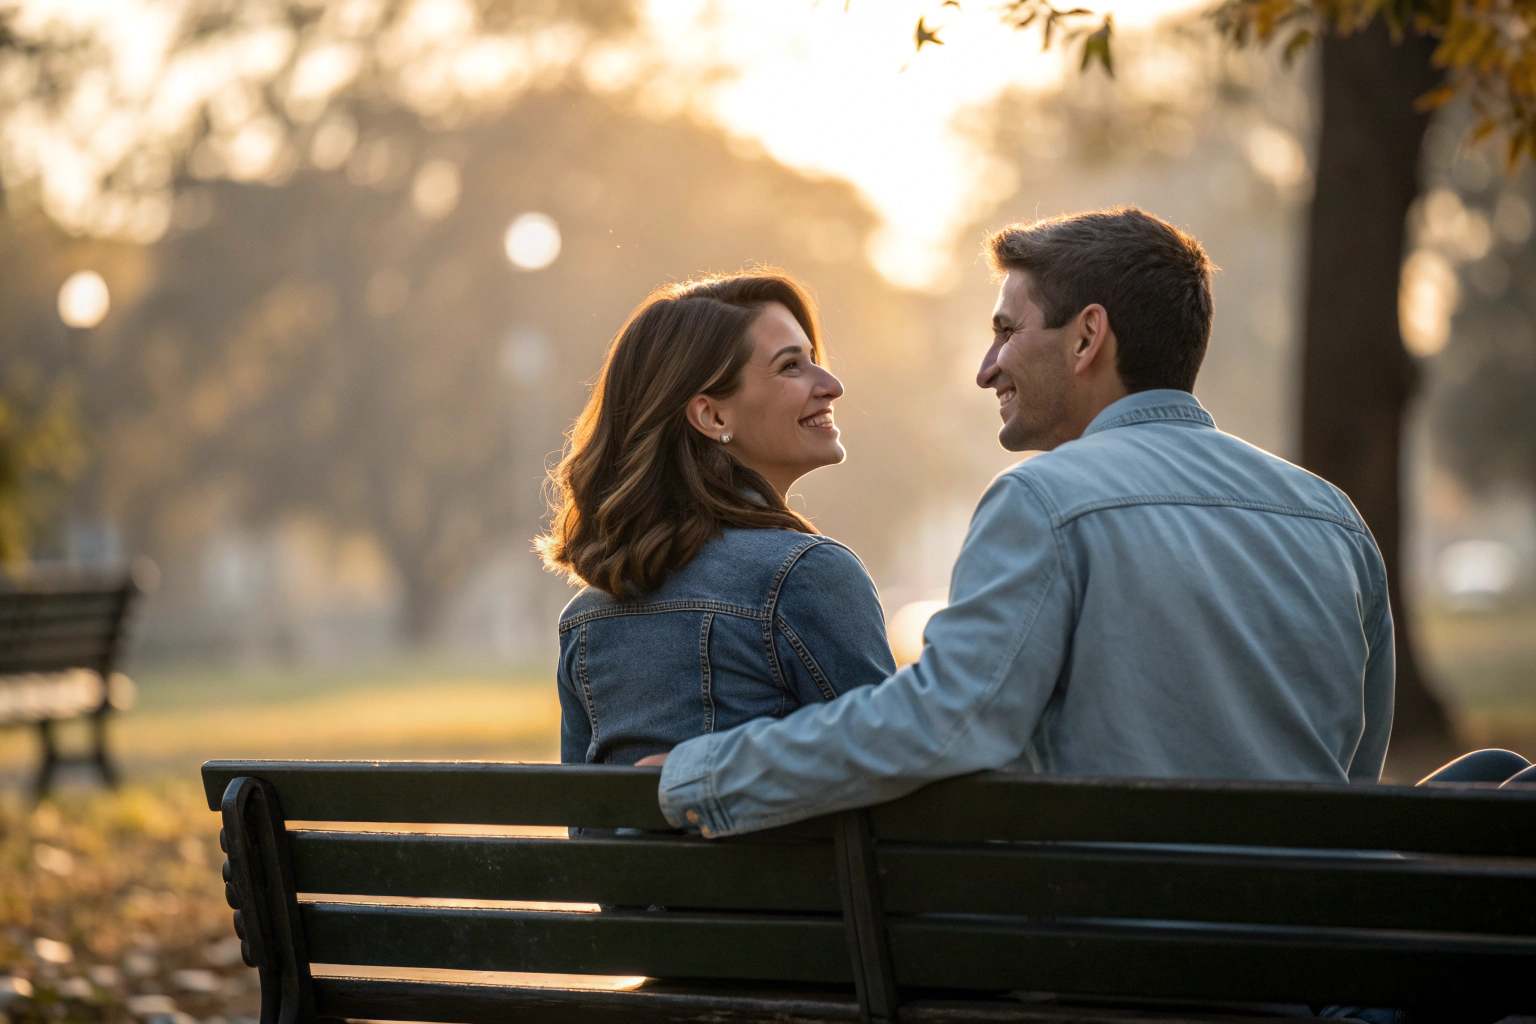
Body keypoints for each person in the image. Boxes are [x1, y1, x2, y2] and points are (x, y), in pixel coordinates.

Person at [645, 206, 1400, 837]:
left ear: (1087, 337)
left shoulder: (1045, 501)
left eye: (1007, 330)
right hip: (1305, 947)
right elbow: (1356, 764)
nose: (988, 366)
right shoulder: (1334, 518)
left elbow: (946, 722)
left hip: (1117, 955)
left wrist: (704, 774)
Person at [538, 270, 896, 769]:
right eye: (791, 366)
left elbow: (583, 812)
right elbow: (893, 765)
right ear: (713, 417)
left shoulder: (586, 617)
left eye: (813, 359)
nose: (832, 386)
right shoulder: (805, 575)